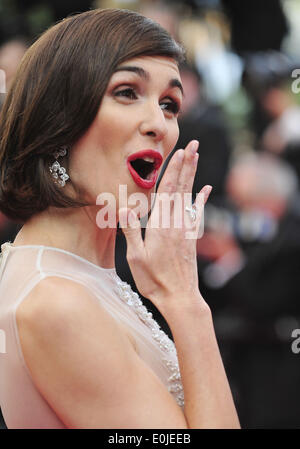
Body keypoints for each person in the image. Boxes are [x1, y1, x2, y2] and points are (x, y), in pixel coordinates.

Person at [0, 8, 239, 429]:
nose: (159, 126)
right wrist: (186, 303)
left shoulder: (77, 274)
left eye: (170, 104)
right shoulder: (57, 301)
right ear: (60, 118)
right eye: (127, 92)